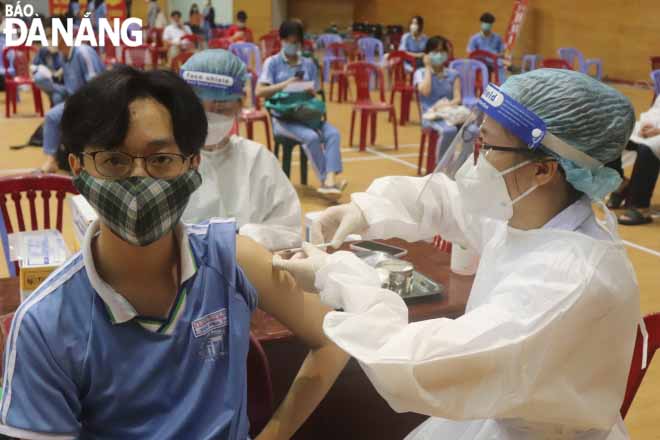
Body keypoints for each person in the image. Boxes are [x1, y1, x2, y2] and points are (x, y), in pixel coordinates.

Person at [274, 69, 641, 439]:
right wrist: (366, 210)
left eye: (488, 146)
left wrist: (337, 279)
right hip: (497, 416)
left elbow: (416, 365)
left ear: (543, 170)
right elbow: (450, 204)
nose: (475, 161)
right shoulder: (528, 213)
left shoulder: (568, 280)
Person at [0, 66, 348, 439]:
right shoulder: (45, 324)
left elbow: (334, 338)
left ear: (193, 164)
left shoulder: (231, 259)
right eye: (114, 161)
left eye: (161, 160)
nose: (138, 180)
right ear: (78, 167)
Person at [180, 50, 303, 251]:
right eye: (198, 109)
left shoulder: (257, 160)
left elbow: (287, 230)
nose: (209, 118)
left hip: (249, 274)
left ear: (240, 105)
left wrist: (239, 241)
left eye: (221, 110)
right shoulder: (165, 162)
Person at [257, 20, 346, 196]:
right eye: (289, 41)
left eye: (296, 42)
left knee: (333, 134)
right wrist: (284, 85)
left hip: (307, 116)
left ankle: (330, 180)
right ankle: (325, 184)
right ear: (282, 41)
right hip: (284, 119)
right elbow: (260, 91)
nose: (293, 45)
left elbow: (316, 90)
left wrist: (309, 90)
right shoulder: (272, 63)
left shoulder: (308, 64)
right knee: (311, 137)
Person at [40, 31, 105, 173]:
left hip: (92, 100)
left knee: (51, 116)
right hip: (74, 98)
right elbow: (68, 84)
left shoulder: (83, 52)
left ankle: (51, 161)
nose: (50, 41)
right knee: (53, 94)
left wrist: (76, 106)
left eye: (51, 37)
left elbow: (96, 85)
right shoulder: (63, 56)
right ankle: (59, 156)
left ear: (62, 37)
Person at [608, 95, 660, 225]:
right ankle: (620, 183)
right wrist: (647, 124)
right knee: (614, 133)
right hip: (654, 129)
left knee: (649, 147)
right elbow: (656, 110)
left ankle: (640, 207)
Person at [414, 35, 461, 164]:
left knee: (473, 131)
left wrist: (446, 105)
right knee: (449, 130)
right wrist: (428, 68)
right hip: (430, 116)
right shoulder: (420, 73)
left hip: (449, 114)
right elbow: (425, 91)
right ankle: (440, 169)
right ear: (427, 54)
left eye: (442, 51)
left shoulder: (453, 74)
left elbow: (457, 98)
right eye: (435, 51)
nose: (439, 55)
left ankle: (458, 166)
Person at [31, 25, 66, 106]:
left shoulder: (62, 51)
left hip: (64, 81)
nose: (49, 41)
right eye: (47, 38)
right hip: (50, 81)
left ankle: (62, 92)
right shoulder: (43, 51)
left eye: (51, 38)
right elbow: (34, 66)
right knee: (38, 78)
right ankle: (62, 91)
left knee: (57, 98)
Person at [467, 12, 506, 82]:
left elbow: (502, 53)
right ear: (481, 23)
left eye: (489, 23)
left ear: (491, 25)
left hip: (495, 62)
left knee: (500, 65)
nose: (486, 24)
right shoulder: (474, 38)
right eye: (485, 22)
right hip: (480, 62)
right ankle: (484, 88)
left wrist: (494, 56)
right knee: (481, 68)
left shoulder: (498, 38)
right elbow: (471, 54)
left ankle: (502, 88)